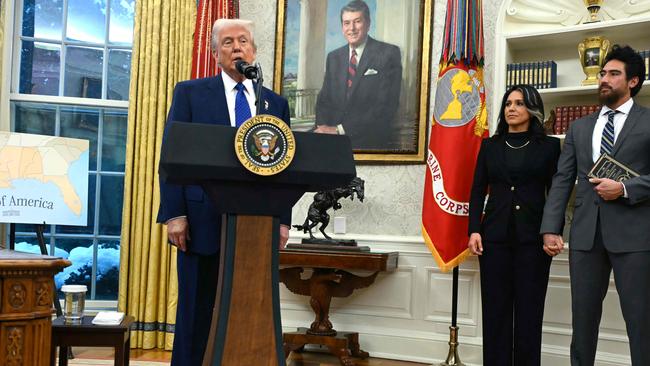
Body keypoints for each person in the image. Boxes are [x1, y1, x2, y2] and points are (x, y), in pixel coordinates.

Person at [156, 19, 291, 366]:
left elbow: (285, 166)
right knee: (196, 312)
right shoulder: (190, 93)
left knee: (250, 310)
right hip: (200, 221)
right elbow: (172, 157)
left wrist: (283, 221)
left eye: (243, 41)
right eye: (228, 43)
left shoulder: (274, 103)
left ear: (254, 51)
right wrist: (175, 214)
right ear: (216, 54)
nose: (236, 48)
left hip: (256, 228)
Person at [540, 45, 650, 365]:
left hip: (636, 237)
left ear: (633, 81)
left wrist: (626, 188)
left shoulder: (648, 121)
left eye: (613, 74)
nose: (604, 79)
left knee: (640, 321)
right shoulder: (579, 127)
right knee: (583, 321)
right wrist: (550, 227)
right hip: (586, 236)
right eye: (602, 73)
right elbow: (563, 180)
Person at [468, 84, 561, 366]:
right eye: (508, 103)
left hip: (533, 240)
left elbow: (557, 192)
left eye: (519, 103)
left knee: (529, 313)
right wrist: (474, 228)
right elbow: (476, 189)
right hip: (493, 238)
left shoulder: (550, 146)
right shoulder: (490, 146)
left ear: (532, 109)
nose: (511, 108)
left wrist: (553, 230)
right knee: (495, 312)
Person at [314, 0, 402, 150]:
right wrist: (323, 127)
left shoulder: (388, 53)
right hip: (333, 140)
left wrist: (339, 130)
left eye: (357, 21)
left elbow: (385, 106)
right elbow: (324, 100)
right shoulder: (334, 57)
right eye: (347, 23)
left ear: (368, 24)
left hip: (369, 140)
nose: (352, 28)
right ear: (342, 27)